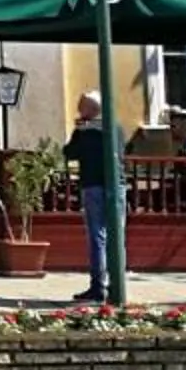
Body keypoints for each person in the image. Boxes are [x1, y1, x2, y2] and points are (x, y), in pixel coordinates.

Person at [65, 91, 114, 301]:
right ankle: (114, 284)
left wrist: (78, 131)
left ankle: (98, 285)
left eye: (82, 105)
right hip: (115, 187)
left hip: (93, 185)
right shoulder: (114, 128)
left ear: (93, 109)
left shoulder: (84, 132)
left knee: (97, 236)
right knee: (113, 236)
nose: (78, 109)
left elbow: (70, 153)